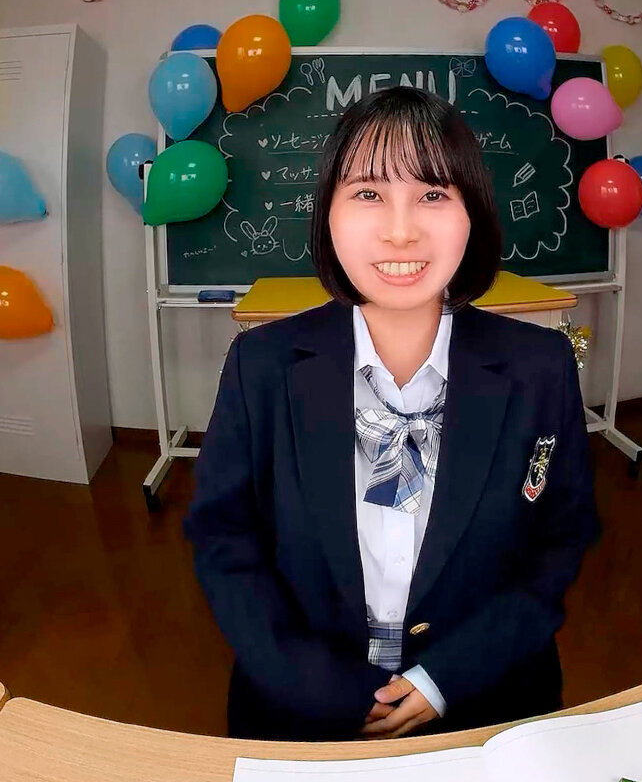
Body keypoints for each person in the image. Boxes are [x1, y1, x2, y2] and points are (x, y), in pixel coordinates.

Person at [183, 86, 600, 743]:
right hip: (303, 708)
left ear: (472, 212)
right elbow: (224, 541)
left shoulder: (539, 367)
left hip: (486, 699)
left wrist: (445, 679)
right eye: (368, 193)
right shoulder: (260, 365)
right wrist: (324, 688)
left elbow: (560, 540)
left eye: (433, 194)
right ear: (328, 214)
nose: (401, 230)